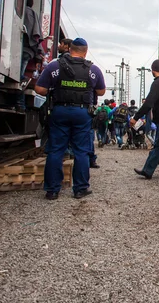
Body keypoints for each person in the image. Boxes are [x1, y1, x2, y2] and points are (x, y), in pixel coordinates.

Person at [34, 38, 105, 200]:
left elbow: (39, 88)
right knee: (81, 151)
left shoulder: (55, 66)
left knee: (56, 150)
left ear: (70, 49)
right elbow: (101, 92)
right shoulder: (93, 70)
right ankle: (80, 188)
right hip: (82, 113)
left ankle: (52, 190)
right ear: (85, 51)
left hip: (60, 111)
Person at [16, 0, 44, 111]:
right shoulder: (33, 14)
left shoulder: (24, 12)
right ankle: (19, 103)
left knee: (18, 77)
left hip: (23, 49)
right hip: (28, 51)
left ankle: (20, 103)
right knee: (18, 76)